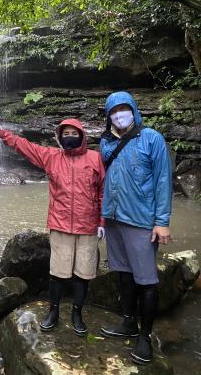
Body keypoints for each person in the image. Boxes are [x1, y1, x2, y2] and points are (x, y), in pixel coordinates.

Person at [0, 118, 105, 336]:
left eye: (74, 133)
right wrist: (3, 134)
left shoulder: (95, 158)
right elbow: (27, 147)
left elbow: (103, 192)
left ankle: (77, 314)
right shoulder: (51, 156)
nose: (70, 137)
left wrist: (102, 222)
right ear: (60, 137)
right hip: (60, 225)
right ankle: (54, 311)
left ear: (82, 135)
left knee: (83, 275)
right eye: (66, 133)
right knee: (58, 274)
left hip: (88, 226)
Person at [99, 91, 172, 366]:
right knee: (123, 274)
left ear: (133, 109)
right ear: (108, 116)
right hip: (113, 219)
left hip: (141, 219)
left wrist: (162, 222)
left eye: (123, 109)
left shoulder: (151, 138)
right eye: (113, 111)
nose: (119, 114)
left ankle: (145, 336)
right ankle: (128, 322)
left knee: (146, 280)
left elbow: (163, 181)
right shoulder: (105, 143)